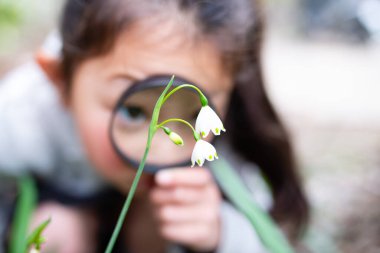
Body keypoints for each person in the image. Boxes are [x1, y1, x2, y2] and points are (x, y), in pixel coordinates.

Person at [1, 0, 309, 252]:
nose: (159, 152)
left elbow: (267, 240)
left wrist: (218, 233)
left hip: (145, 232)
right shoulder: (21, 118)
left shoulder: (218, 147)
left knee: (166, 224)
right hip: (61, 211)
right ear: (60, 83)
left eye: (192, 115)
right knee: (57, 228)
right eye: (133, 112)